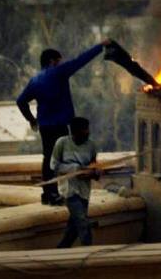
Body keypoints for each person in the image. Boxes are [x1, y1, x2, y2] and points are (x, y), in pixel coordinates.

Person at [16, 41, 108, 205]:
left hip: (44, 126)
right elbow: (81, 60)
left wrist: (31, 120)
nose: (61, 63)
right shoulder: (58, 72)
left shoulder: (35, 80)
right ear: (53, 61)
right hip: (60, 125)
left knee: (49, 158)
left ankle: (49, 194)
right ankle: (67, 192)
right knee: (65, 159)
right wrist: (101, 46)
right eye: (59, 61)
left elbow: (21, 101)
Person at [50, 116, 98, 248]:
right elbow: (54, 165)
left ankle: (60, 251)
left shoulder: (91, 145)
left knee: (74, 227)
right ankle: (89, 252)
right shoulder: (62, 143)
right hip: (69, 189)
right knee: (83, 222)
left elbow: (94, 165)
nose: (87, 133)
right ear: (74, 133)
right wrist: (75, 168)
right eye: (84, 131)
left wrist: (93, 172)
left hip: (84, 190)